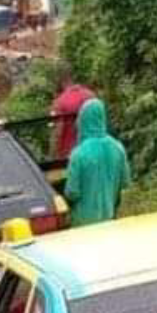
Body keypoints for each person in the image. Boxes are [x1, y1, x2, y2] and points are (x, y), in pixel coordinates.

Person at [65, 98, 131, 228]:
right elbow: (125, 182)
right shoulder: (118, 148)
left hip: (83, 223)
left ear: (82, 121)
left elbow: (72, 192)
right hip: (110, 217)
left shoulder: (78, 154)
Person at [51, 67, 95, 161]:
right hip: (92, 152)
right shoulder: (91, 96)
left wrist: (53, 155)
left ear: (62, 81)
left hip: (70, 155)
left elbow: (58, 132)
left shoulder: (59, 102)